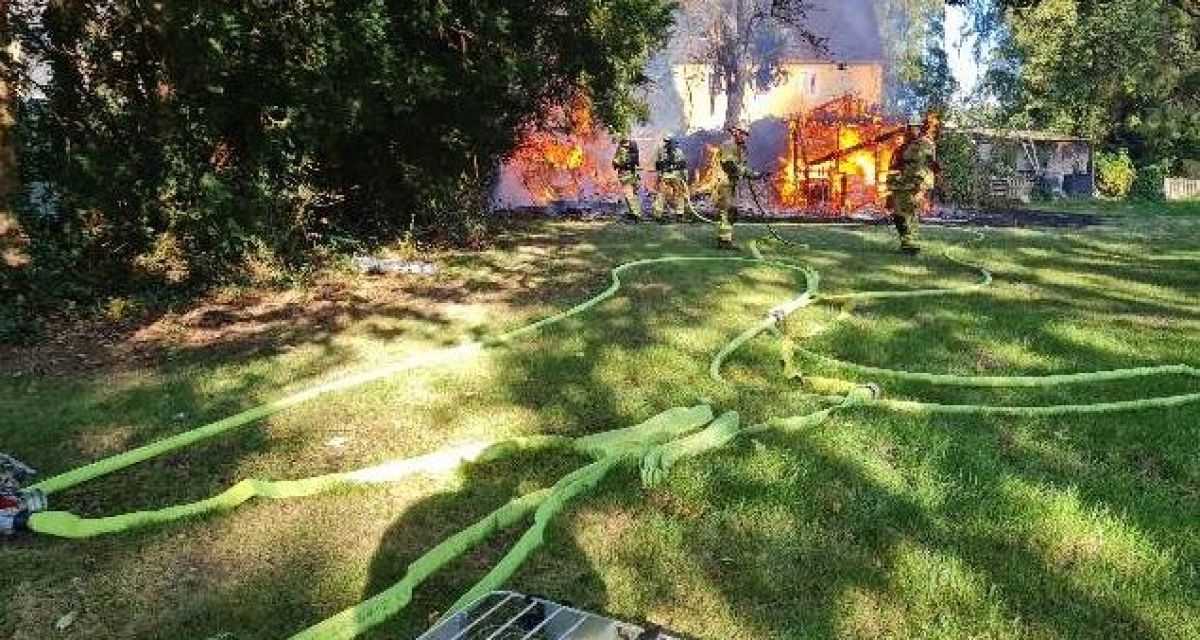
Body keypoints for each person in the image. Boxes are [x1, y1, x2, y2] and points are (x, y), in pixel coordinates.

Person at [887, 112, 940, 254]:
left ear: (920, 127)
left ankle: (911, 243)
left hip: (914, 184)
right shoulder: (905, 146)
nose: (912, 130)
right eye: (910, 127)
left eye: (915, 127)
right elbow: (895, 166)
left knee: (910, 213)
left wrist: (922, 185)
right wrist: (891, 186)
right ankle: (906, 242)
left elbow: (928, 166)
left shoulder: (924, 144)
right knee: (900, 214)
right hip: (900, 185)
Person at [711, 125, 762, 249]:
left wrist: (755, 175)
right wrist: (748, 173)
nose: (745, 137)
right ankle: (724, 242)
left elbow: (740, 167)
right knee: (728, 211)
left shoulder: (739, 148)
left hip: (731, 183)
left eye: (746, 135)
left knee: (729, 212)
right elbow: (729, 165)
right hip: (724, 182)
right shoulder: (728, 145)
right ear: (736, 133)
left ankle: (724, 238)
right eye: (743, 134)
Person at [652, 137, 694, 222]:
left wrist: (660, 175)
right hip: (675, 176)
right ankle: (679, 214)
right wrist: (685, 177)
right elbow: (683, 166)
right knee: (679, 194)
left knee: (662, 195)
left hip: (667, 176)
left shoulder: (661, 150)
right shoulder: (678, 151)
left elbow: (657, 165)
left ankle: (658, 214)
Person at [611, 137, 643, 221]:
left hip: (625, 174)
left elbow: (616, 161)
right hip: (633, 174)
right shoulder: (634, 147)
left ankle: (636, 214)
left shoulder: (621, 149)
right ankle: (634, 212)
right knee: (633, 194)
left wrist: (615, 164)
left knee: (629, 194)